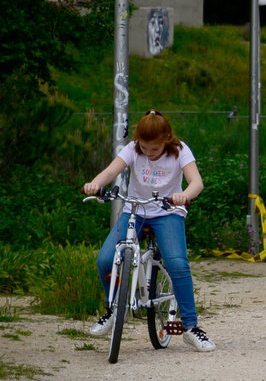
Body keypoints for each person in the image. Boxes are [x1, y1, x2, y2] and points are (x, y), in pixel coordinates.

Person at [83, 109, 215, 352]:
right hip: (135, 210)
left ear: (167, 139)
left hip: (168, 212)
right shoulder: (133, 149)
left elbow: (197, 182)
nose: (148, 152)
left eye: (154, 148)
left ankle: (190, 326)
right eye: (144, 147)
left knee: (177, 264)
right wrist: (95, 184)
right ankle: (114, 309)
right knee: (105, 259)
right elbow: (111, 171)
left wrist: (184, 195)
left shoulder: (180, 151)